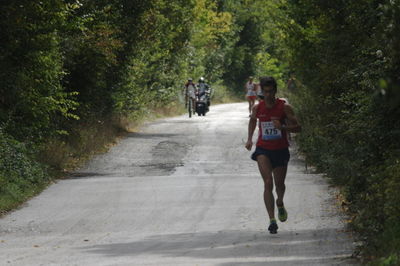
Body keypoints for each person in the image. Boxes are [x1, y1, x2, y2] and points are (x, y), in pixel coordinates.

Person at [245, 76, 301, 234]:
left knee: (280, 185)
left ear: (275, 91)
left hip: (281, 149)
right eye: (265, 92)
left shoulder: (284, 107)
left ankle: (280, 202)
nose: (268, 95)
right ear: (262, 91)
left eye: (271, 91)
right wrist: (249, 139)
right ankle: (272, 220)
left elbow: (298, 128)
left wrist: (283, 127)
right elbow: (252, 121)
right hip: (263, 149)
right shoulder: (258, 108)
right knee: (268, 182)